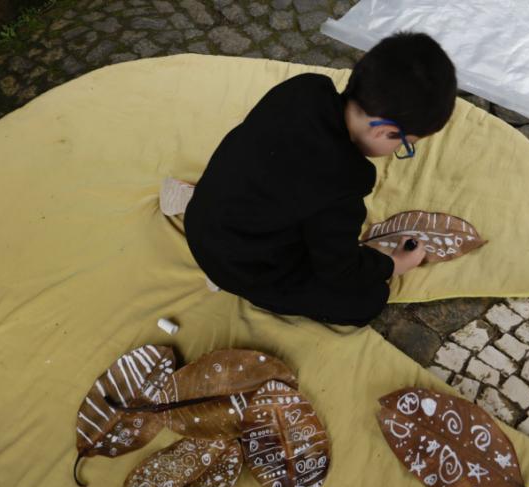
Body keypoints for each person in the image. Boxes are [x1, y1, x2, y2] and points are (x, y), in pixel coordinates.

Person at [180, 32, 457, 327]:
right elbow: (340, 270)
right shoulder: (346, 179)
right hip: (239, 265)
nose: (398, 150)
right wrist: (393, 264)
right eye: (404, 143)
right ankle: (252, 290)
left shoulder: (306, 87)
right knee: (368, 299)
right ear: (383, 131)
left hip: (201, 220)